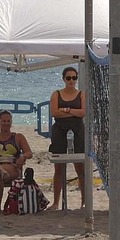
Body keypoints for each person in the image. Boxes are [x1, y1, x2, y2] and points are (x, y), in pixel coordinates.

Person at [48, 65, 87, 210]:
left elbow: (83, 112)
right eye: (69, 78)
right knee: (59, 168)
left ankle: (84, 202)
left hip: (77, 131)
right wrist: (73, 112)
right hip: (60, 131)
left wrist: (67, 110)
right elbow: (54, 113)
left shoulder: (82, 94)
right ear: (64, 79)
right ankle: (56, 202)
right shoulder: (56, 94)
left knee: (80, 168)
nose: (72, 80)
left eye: (74, 78)